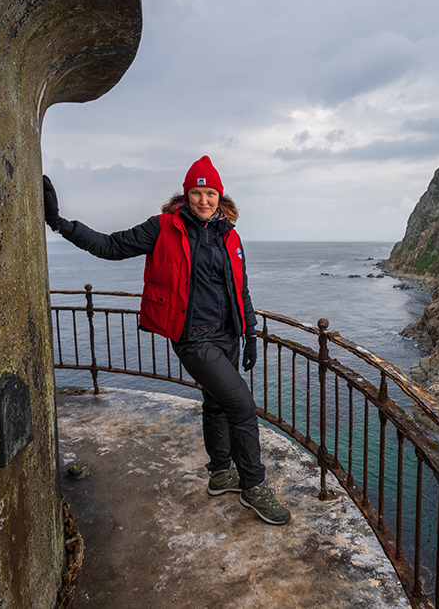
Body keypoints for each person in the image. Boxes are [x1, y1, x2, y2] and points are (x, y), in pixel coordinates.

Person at [43, 156, 290, 526]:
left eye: (210, 193)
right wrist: (60, 225)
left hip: (228, 335)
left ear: (219, 197)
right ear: (185, 194)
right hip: (193, 339)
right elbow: (110, 246)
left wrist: (250, 333)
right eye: (196, 192)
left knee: (218, 405)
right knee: (242, 407)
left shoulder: (230, 234)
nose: (203, 200)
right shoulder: (163, 228)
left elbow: (241, 289)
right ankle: (254, 486)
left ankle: (222, 474)